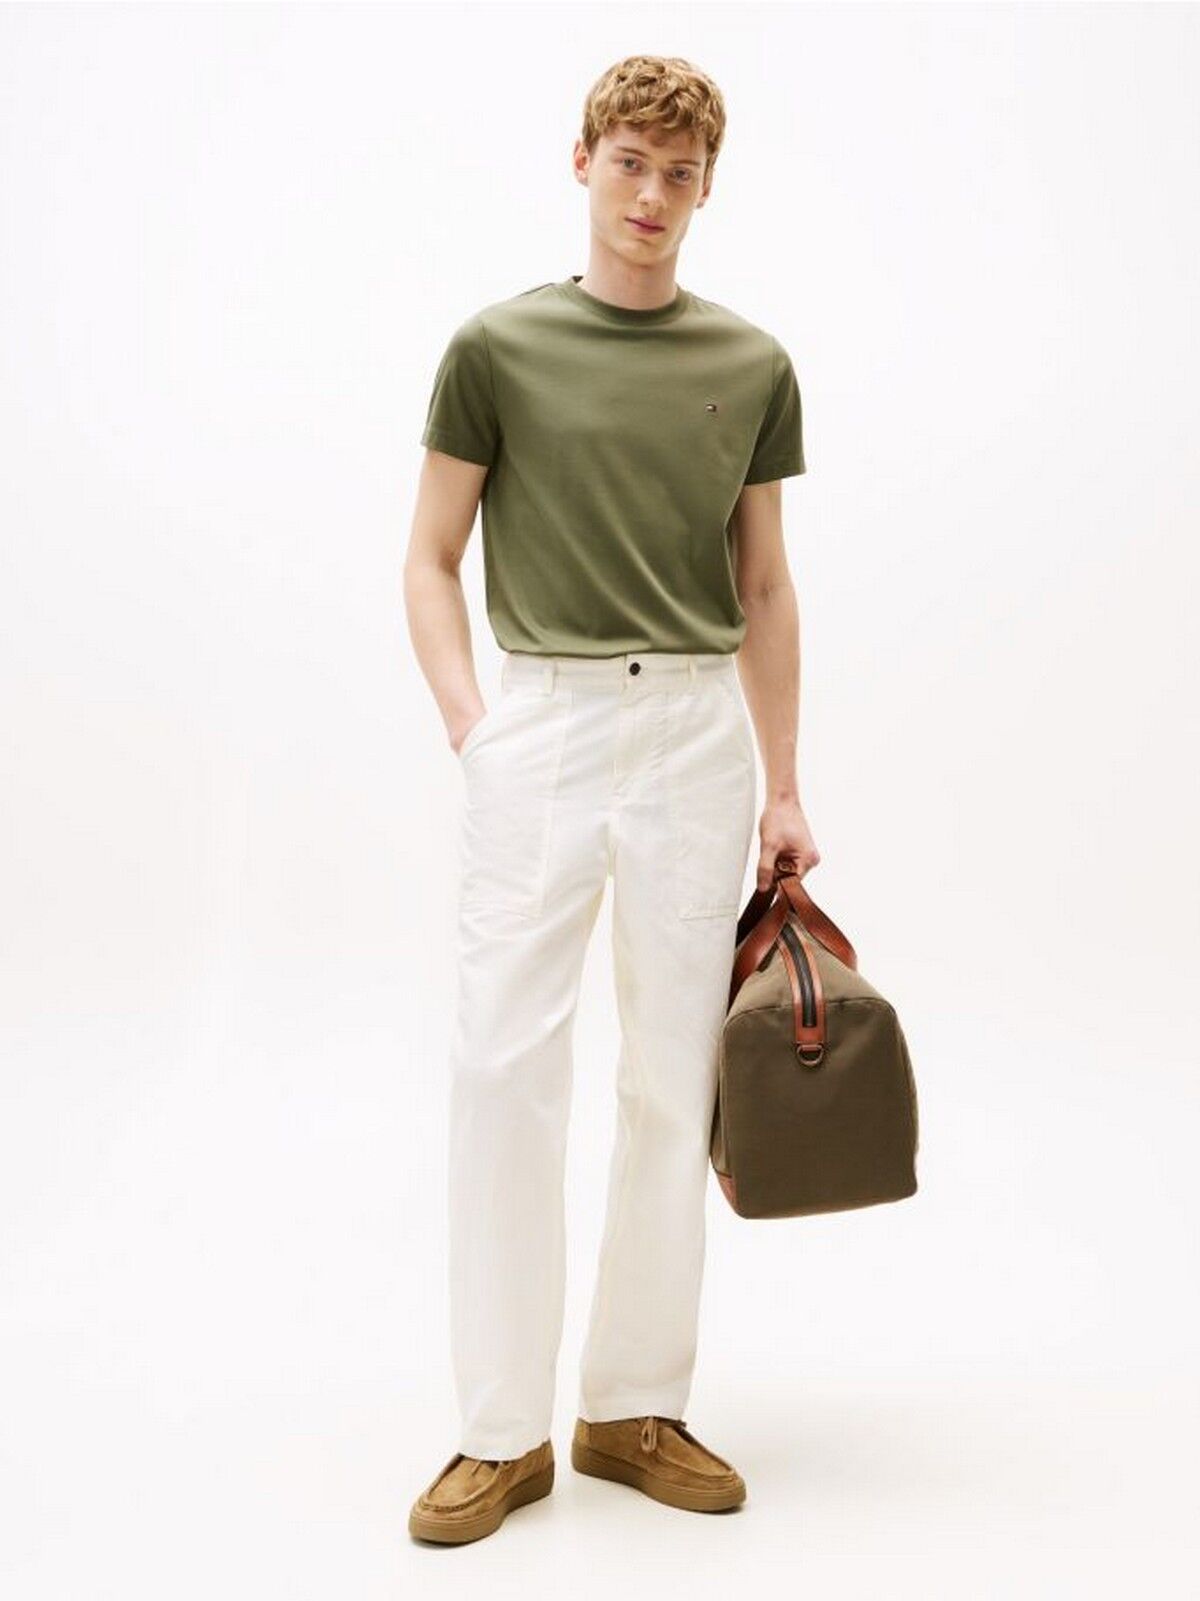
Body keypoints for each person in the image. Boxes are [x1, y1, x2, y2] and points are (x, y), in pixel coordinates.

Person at [403, 53, 819, 1545]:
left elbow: (763, 586)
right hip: (547, 725)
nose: (652, 195)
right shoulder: (497, 348)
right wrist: (479, 731)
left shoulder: (752, 363)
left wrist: (784, 785)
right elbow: (430, 556)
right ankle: (499, 1432)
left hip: (696, 736)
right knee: (500, 1066)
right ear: (581, 161)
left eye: (680, 174)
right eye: (630, 162)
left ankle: (634, 1405)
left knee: (672, 1076)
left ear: (708, 190)